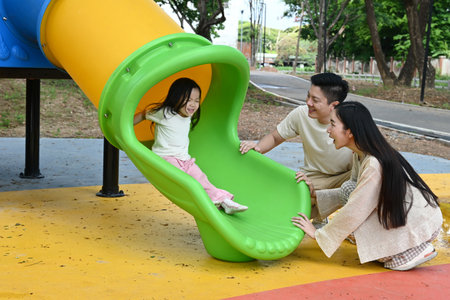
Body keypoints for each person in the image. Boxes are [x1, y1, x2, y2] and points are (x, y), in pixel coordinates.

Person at [291, 101, 443, 271]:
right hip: (409, 214)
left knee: (379, 252)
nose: (328, 130)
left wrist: (319, 235)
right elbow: (353, 193)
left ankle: (413, 248)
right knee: (349, 189)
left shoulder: (373, 164)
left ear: (349, 132)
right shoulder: (361, 154)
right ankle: (404, 245)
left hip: (419, 222)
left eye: (333, 124)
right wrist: (315, 196)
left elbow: (356, 208)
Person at [240, 73, 353, 221]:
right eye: (308, 96)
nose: (308, 102)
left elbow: (368, 159)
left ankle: (352, 227)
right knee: (287, 208)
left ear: (334, 105)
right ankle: (318, 215)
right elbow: (275, 137)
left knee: (361, 187)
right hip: (314, 176)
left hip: (345, 177)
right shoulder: (301, 114)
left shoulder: (351, 123)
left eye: (315, 100)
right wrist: (258, 148)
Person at [134, 78, 248, 214]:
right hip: (166, 159)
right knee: (190, 184)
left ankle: (225, 201)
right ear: (176, 97)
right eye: (188, 100)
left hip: (185, 160)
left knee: (202, 179)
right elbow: (143, 114)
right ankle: (207, 203)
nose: (193, 104)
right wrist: (125, 125)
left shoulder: (188, 116)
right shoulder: (164, 113)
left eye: (196, 100)